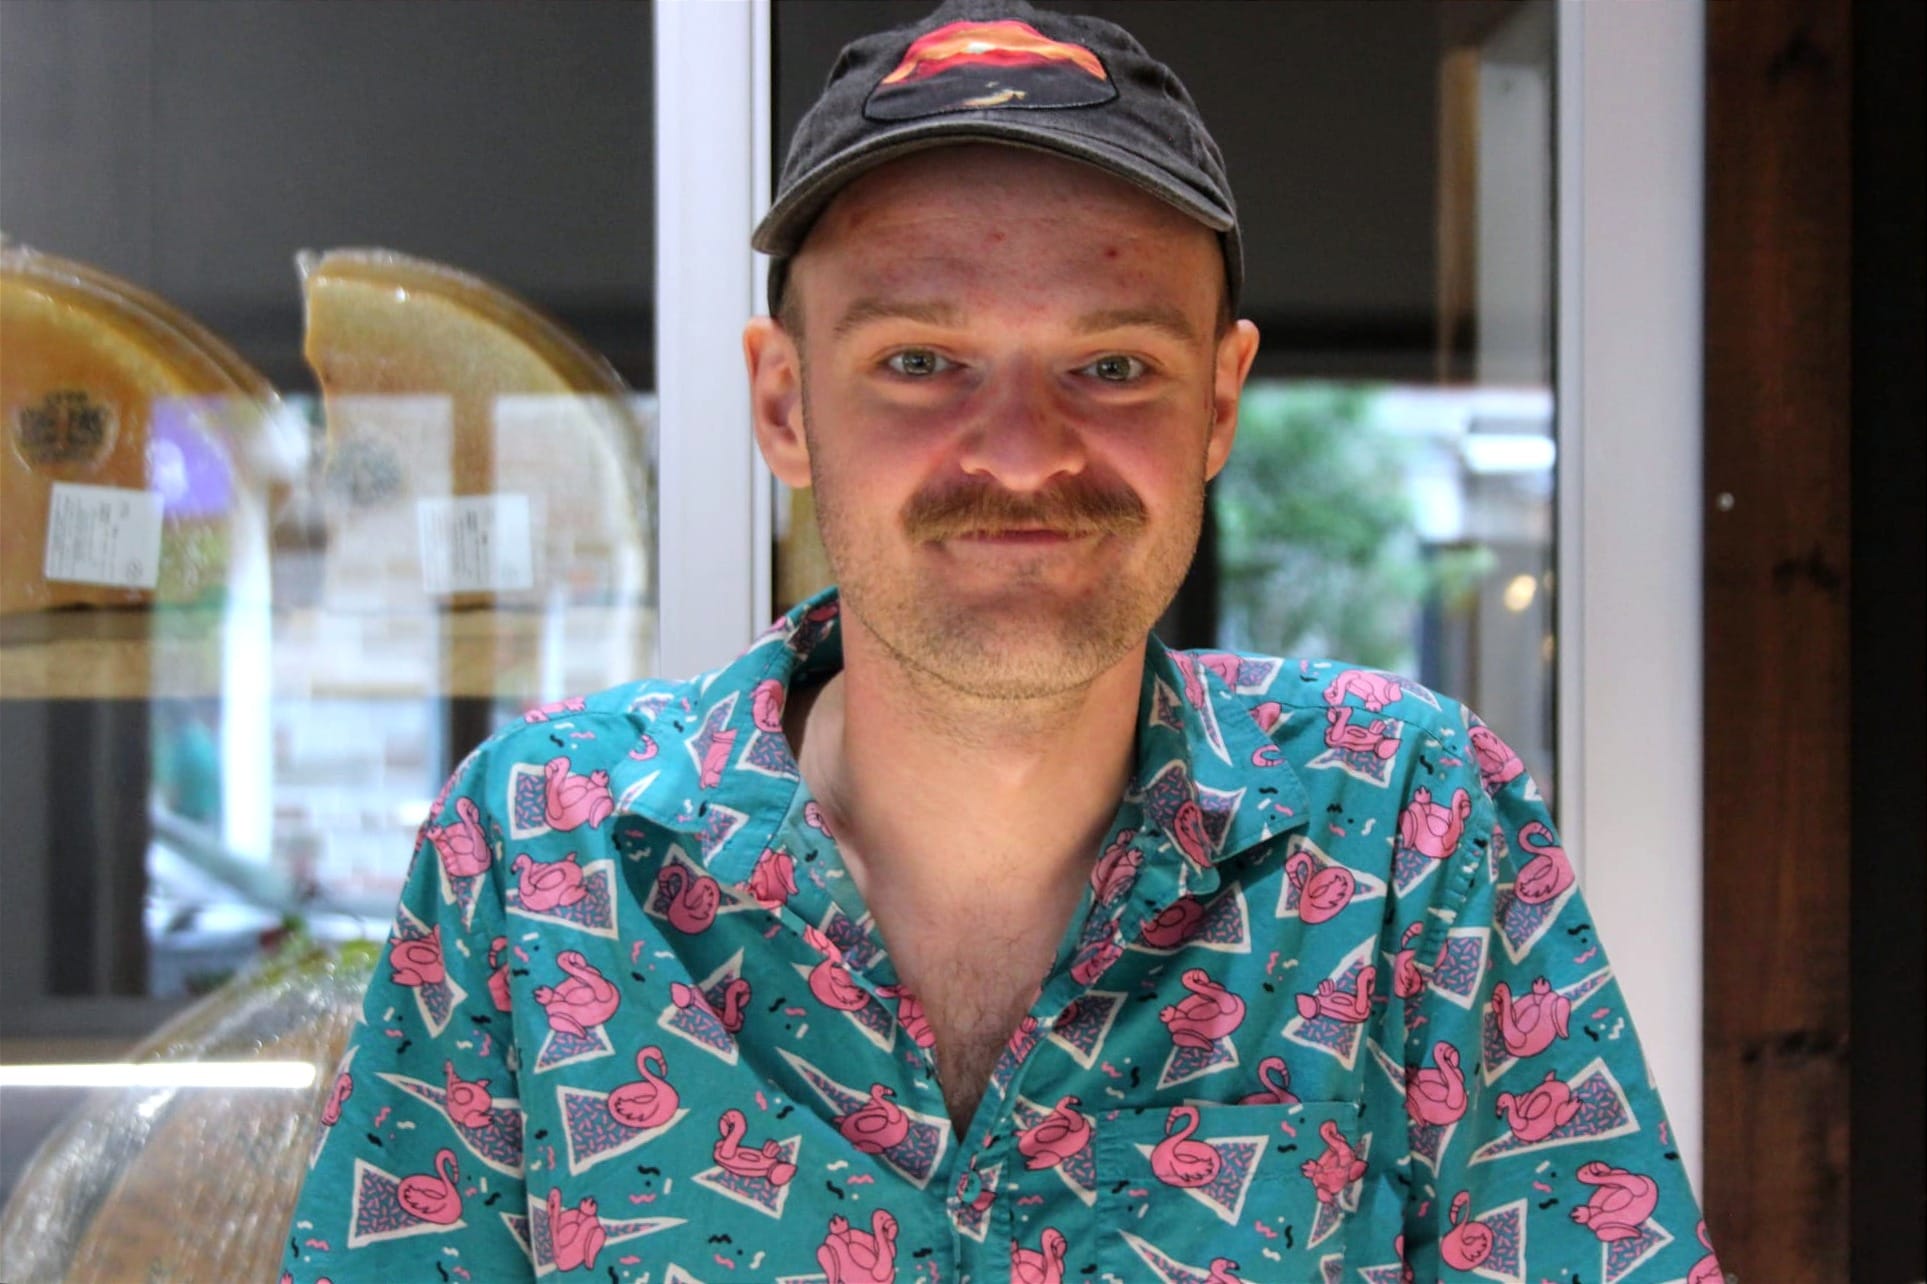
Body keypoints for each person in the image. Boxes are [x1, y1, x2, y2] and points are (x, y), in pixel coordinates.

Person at [281, 1, 1723, 1279]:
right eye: (920, 362)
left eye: (1111, 366)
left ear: (1219, 405)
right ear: (784, 405)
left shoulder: (1409, 832)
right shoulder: (539, 855)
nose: (1024, 454)